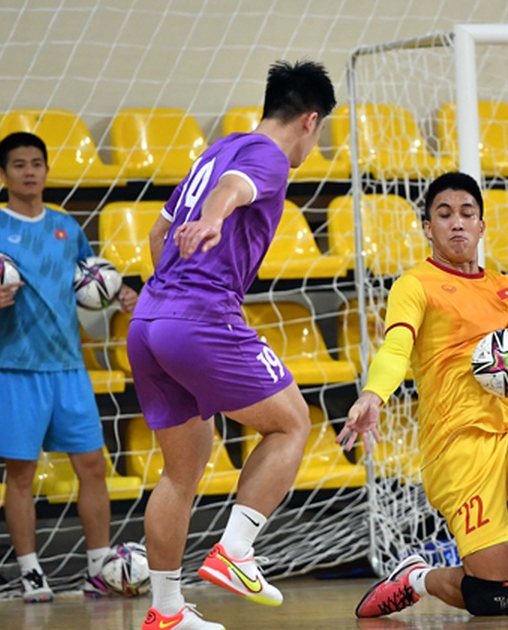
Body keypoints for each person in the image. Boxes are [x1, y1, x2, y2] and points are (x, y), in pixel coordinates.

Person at [343, 172, 508, 619]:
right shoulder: (414, 285)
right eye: (444, 214)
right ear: (427, 227)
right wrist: (375, 394)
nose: (457, 223)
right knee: (495, 599)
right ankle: (415, 577)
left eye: (467, 214)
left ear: (482, 225)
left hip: (507, 434)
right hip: (455, 450)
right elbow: (395, 347)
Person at [126, 60, 335, 630]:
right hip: (199, 313)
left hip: (149, 319)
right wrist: (217, 220)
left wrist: (168, 293)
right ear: (310, 121)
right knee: (292, 421)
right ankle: (237, 549)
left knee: (181, 472)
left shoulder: (219, 146)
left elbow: (157, 231)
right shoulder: (267, 156)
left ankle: (167, 612)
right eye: (320, 135)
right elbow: (234, 191)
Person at [0, 131, 139, 603]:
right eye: (18, 164)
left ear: (47, 171)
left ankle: (98, 566)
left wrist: (119, 294)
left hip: (69, 369)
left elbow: (87, 284)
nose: (29, 171)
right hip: (18, 370)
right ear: (2, 173)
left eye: (37, 163)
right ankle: (31, 572)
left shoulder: (67, 227)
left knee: (92, 466)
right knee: (21, 474)